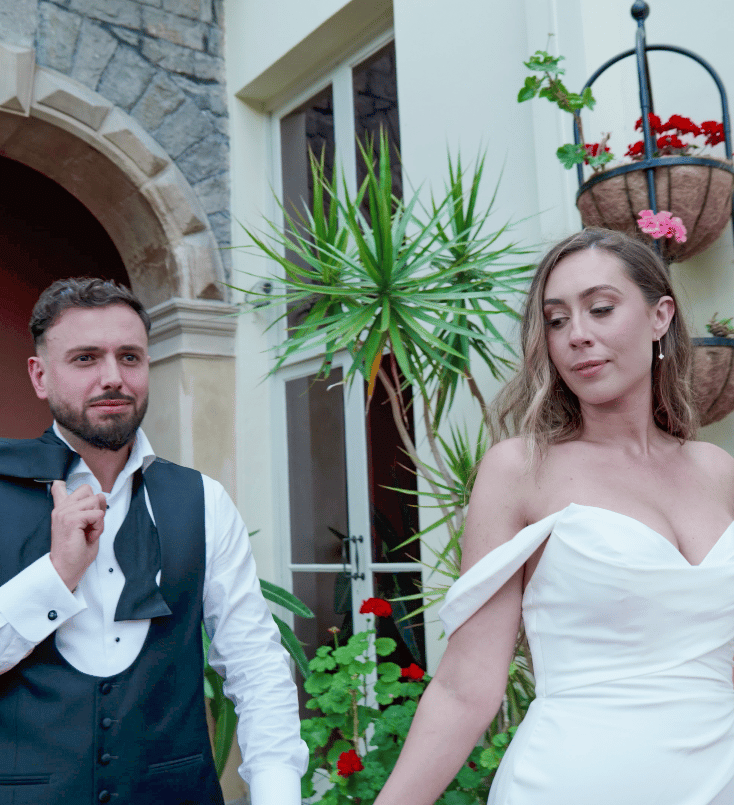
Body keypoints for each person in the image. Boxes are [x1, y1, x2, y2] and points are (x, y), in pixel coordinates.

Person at [374, 228, 734, 805]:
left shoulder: (717, 470)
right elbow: (468, 685)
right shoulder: (520, 469)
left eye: (599, 309)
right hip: (572, 783)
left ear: (660, 315)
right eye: (557, 320)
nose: (577, 336)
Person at [0, 278, 308, 805]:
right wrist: (55, 576)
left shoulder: (202, 500)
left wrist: (277, 795)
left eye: (130, 357)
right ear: (40, 376)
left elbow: (256, 665)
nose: (113, 377)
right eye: (85, 358)